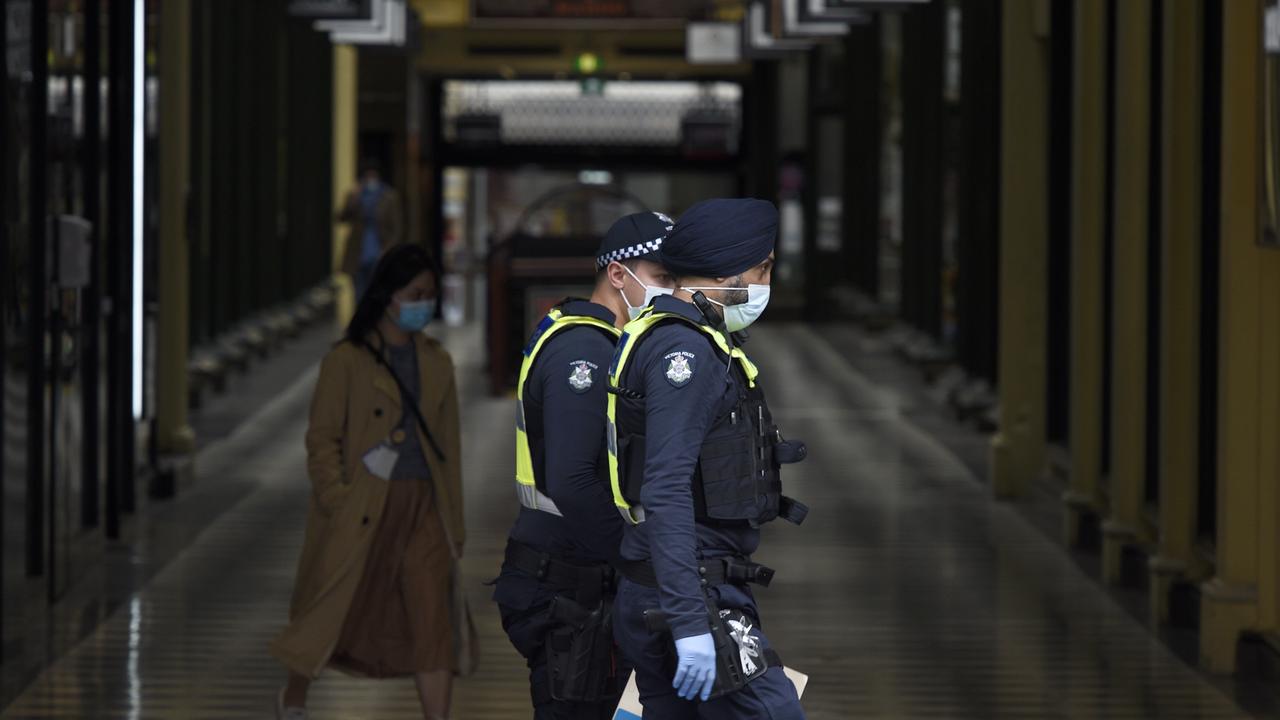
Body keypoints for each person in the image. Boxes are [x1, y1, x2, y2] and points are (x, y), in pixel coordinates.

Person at [606, 199, 809, 719]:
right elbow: (666, 486)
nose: (766, 281)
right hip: (691, 594)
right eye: (761, 268)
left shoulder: (668, 333)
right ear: (727, 270)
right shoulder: (687, 353)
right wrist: (691, 623)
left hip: (670, 587)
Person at [492, 211, 678, 719]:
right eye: (662, 278)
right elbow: (572, 481)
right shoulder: (585, 350)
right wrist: (640, 560)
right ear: (619, 274)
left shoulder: (608, 343)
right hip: (566, 583)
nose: (673, 291)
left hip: (575, 573)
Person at [271, 244, 464, 720]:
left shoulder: (438, 361)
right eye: (415, 293)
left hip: (423, 504)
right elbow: (321, 440)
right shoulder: (347, 361)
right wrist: (338, 496)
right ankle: (294, 694)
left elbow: (450, 451)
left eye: (430, 294)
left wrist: (452, 524)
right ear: (387, 295)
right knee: (331, 604)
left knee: (431, 617)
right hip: (363, 502)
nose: (425, 303)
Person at [338, 158, 404, 301]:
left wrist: (387, 249)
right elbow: (342, 217)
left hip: (378, 251)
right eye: (367, 176)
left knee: (376, 291)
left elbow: (396, 228)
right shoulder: (356, 195)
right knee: (359, 294)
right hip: (358, 253)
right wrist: (354, 198)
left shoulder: (389, 197)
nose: (370, 180)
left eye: (373, 176)